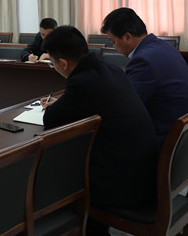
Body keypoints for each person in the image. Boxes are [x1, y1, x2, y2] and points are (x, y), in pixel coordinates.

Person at [41, 26, 158, 231]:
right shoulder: (111, 69)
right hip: (146, 174)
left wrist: (56, 107)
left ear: (63, 63)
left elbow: (51, 119)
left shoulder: (82, 82)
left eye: (53, 63)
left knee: (53, 174)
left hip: (125, 187)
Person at [101, 7, 188, 143]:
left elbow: (124, 109)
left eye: (113, 41)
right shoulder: (163, 46)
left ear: (128, 37)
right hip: (186, 137)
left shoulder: (143, 61)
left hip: (164, 139)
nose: (114, 47)